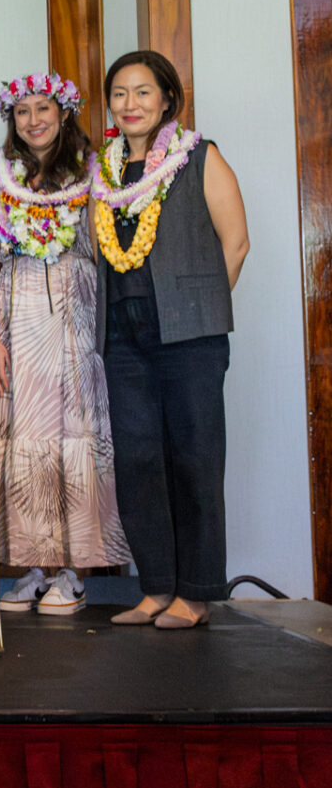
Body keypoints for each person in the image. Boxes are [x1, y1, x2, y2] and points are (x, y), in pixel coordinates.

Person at [93, 50, 248, 630]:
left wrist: (196, 310)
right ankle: (156, 586)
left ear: (167, 100)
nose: (130, 104)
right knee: (137, 460)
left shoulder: (199, 157)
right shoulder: (104, 170)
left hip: (190, 334)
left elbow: (235, 243)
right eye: (119, 94)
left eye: (142, 92)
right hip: (122, 333)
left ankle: (198, 591)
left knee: (195, 460)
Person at [0, 78, 131, 615]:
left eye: (43, 108)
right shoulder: (1, 180)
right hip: (14, 323)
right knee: (19, 440)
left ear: (63, 114)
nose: (33, 119)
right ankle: (32, 568)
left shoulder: (93, 175)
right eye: (21, 111)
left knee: (73, 440)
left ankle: (76, 571)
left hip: (71, 322)